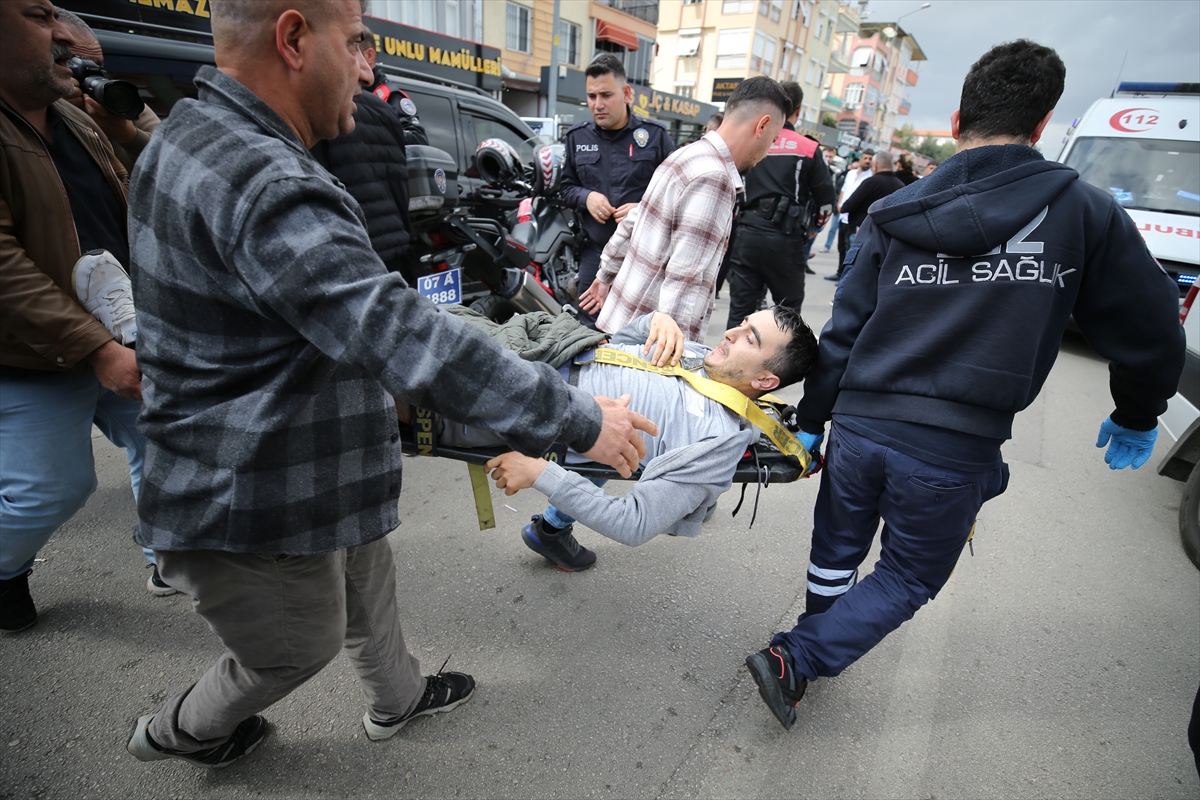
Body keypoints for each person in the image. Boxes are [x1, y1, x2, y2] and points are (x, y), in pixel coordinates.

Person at [122, 0, 656, 768]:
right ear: (295, 38)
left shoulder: (188, 133)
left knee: (368, 576)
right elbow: (402, 335)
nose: (370, 65)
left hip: (315, 464)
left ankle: (397, 697)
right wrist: (573, 417)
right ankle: (183, 731)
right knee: (293, 645)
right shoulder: (264, 178)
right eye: (357, 42)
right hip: (258, 490)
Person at [743, 39, 1186, 731]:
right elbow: (1154, 325)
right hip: (950, 450)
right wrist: (1138, 411)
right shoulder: (1084, 212)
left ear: (955, 120)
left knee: (836, 552)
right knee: (910, 576)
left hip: (860, 428)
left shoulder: (898, 208)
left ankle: (815, 642)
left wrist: (813, 417)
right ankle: (797, 658)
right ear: (1042, 126)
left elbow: (846, 331)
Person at [0, 0, 177, 632]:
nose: (61, 40)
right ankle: (3, 571)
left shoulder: (76, 119)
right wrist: (94, 348)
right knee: (52, 487)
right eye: (38, 16)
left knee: (163, 444)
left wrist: (128, 127)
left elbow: (175, 174)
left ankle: (168, 557)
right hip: (30, 354)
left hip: (123, 330)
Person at [441, 307, 816, 570]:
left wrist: (541, 473)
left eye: (749, 338)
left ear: (765, 382)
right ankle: (552, 533)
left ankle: (551, 531)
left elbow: (633, 523)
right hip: (540, 344)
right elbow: (616, 347)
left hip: (519, 403)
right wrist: (653, 321)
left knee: (403, 354)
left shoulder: (718, 441)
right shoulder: (699, 357)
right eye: (743, 322)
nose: (731, 331)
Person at [579, 76, 789, 342]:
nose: (767, 152)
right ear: (762, 125)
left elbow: (634, 219)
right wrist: (679, 356)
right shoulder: (716, 177)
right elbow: (684, 278)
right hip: (649, 343)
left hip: (624, 322)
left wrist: (605, 273)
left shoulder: (686, 154)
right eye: (772, 140)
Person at [560, 54, 674, 329]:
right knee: (587, 329)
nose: (597, 104)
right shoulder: (577, 138)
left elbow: (676, 191)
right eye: (591, 96)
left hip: (645, 254)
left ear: (626, 93)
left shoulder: (655, 136)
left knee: (639, 331)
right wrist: (586, 197)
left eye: (605, 95)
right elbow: (565, 189)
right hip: (596, 253)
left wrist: (643, 209)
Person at [724, 81, 834, 331]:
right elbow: (826, 203)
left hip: (746, 235)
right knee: (788, 315)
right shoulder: (808, 147)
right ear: (798, 110)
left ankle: (727, 365)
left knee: (740, 310)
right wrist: (813, 230)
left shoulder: (754, 138)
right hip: (786, 240)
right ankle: (778, 368)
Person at [311, 28, 415, 275]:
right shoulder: (384, 107)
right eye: (351, 46)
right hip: (384, 254)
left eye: (357, 46)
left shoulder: (386, 103)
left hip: (355, 261)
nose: (366, 75)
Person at [55, 7, 161, 171]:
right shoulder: (37, 106)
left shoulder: (120, 102)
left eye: (97, 66)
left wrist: (127, 135)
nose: (91, 75)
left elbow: (174, 162)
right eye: (76, 65)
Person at [360, 24, 426, 145]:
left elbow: (418, 139)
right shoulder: (349, 91)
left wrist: (370, 135)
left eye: (354, 51)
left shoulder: (391, 97)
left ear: (369, 55)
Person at [826, 148, 872, 282]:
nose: (867, 161)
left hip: (856, 218)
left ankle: (847, 278)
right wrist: (839, 204)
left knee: (851, 249)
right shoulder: (851, 173)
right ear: (861, 158)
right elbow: (844, 189)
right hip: (843, 215)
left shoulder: (871, 177)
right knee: (841, 247)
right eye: (866, 158)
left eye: (870, 159)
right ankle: (840, 272)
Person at [837, 150, 905, 238]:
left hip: (861, 228)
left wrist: (842, 208)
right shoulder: (900, 186)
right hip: (883, 234)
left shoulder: (871, 182)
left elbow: (851, 204)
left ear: (875, 165)